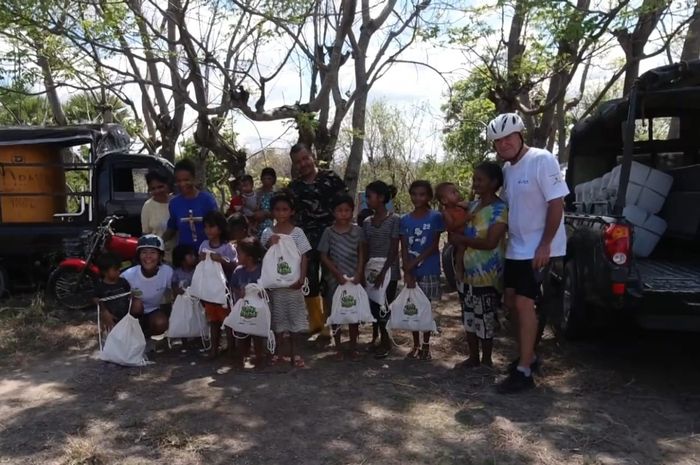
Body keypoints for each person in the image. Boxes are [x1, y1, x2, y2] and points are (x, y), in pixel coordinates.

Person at [486, 113, 569, 394]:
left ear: (520, 135)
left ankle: (524, 370)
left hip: (538, 248)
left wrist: (545, 244)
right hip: (516, 248)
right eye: (498, 141)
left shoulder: (541, 159)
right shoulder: (508, 170)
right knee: (510, 302)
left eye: (508, 137)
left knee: (524, 304)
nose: (504, 144)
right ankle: (529, 355)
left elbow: (556, 204)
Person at [448, 162, 508, 369]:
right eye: (474, 179)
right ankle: (473, 357)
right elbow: (455, 231)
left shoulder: (500, 209)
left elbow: (491, 243)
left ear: (494, 182)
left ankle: (486, 360)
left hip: (487, 275)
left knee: (485, 318)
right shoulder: (472, 206)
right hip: (466, 273)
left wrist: (463, 241)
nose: (475, 184)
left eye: (480, 180)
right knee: (469, 316)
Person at [288, 143, 347, 332]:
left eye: (305, 158)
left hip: (332, 237)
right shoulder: (294, 188)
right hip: (305, 241)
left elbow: (345, 204)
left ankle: (334, 322)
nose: (303, 164)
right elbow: (287, 214)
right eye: (298, 162)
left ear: (312, 156)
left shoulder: (330, 178)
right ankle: (318, 326)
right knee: (310, 281)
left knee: (332, 281)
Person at [260, 192, 311, 368]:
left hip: (293, 285)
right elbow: (263, 254)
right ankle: (279, 353)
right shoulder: (267, 232)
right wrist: (269, 243)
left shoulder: (298, 233)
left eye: (285, 209)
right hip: (275, 287)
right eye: (277, 210)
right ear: (272, 212)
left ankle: (296, 353)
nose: (281, 213)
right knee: (278, 321)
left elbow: (305, 256)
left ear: (291, 211)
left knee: (296, 321)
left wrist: (302, 278)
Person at [318, 194, 366, 361]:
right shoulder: (328, 232)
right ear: (333, 212)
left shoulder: (358, 231)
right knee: (336, 314)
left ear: (352, 212)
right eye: (340, 210)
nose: (343, 213)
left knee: (354, 314)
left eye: (347, 210)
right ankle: (337, 347)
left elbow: (361, 253)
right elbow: (324, 256)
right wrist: (337, 274)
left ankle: (353, 346)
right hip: (334, 280)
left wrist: (359, 273)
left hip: (354, 279)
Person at [400, 180, 444, 361]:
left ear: (428, 197)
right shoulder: (404, 220)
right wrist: (407, 270)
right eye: (414, 194)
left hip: (429, 269)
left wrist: (414, 262)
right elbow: (403, 246)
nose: (417, 198)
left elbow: (434, 245)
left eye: (422, 194)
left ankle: (426, 345)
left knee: (425, 309)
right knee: (413, 308)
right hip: (412, 272)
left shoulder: (435, 217)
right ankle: (415, 343)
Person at [362, 181, 400, 359]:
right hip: (371, 271)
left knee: (384, 305)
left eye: (369, 196)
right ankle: (375, 338)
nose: (367, 200)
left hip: (388, 271)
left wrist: (383, 273)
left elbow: (394, 249)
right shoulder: (367, 222)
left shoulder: (394, 220)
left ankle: (386, 342)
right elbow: (366, 248)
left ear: (382, 198)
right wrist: (365, 271)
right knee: (373, 306)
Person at [198, 211, 238, 359]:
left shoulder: (227, 247)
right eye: (206, 227)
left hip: (224, 290)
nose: (208, 230)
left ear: (220, 228)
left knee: (227, 319)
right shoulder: (203, 245)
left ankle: (231, 348)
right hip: (209, 290)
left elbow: (234, 265)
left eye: (212, 227)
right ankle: (214, 348)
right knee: (213, 320)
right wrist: (201, 259)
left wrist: (220, 259)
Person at [121, 234, 173, 339]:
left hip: (153, 311)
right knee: (137, 304)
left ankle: (147, 338)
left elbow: (176, 292)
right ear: (138, 256)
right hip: (130, 314)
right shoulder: (128, 275)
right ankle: (131, 334)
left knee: (161, 322)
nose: (148, 257)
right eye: (144, 252)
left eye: (153, 252)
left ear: (160, 256)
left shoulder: (167, 272)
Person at [164, 159, 218, 251]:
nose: (182, 184)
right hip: (185, 256)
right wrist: (157, 242)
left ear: (194, 178)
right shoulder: (174, 203)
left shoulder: (207, 200)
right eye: (179, 181)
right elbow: (172, 227)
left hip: (208, 253)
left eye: (186, 180)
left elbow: (218, 226)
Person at [230, 236, 266, 369]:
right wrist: (239, 293)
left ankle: (259, 356)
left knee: (257, 334)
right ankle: (242, 356)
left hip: (258, 310)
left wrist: (261, 293)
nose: (237, 256)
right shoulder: (238, 272)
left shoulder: (262, 271)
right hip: (242, 309)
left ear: (249, 257)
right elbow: (233, 286)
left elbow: (267, 288)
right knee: (241, 332)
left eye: (239, 253)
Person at [141, 170, 175, 263]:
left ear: (167, 185)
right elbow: (146, 235)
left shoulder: (177, 202)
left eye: (160, 187)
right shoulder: (148, 206)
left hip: (180, 256)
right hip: (159, 259)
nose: (157, 191)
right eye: (153, 188)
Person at [94, 252, 133, 332]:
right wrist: (103, 309)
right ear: (105, 271)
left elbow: (129, 293)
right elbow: (95, 298)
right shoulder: (100, 286)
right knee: (111, 336)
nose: (118, 271)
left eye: (119, 269)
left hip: (125, 316)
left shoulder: (123, 282)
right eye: (115, 269)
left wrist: (131, 295)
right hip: (110, 317)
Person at [254, 167, 277, 238]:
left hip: (271, 226)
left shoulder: (276, 194)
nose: (266, 181)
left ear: (273, 180)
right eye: (264, 178)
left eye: (269, 178)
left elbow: (278, 213)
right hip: (257, 226)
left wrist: (266, 213)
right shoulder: (257, 193)